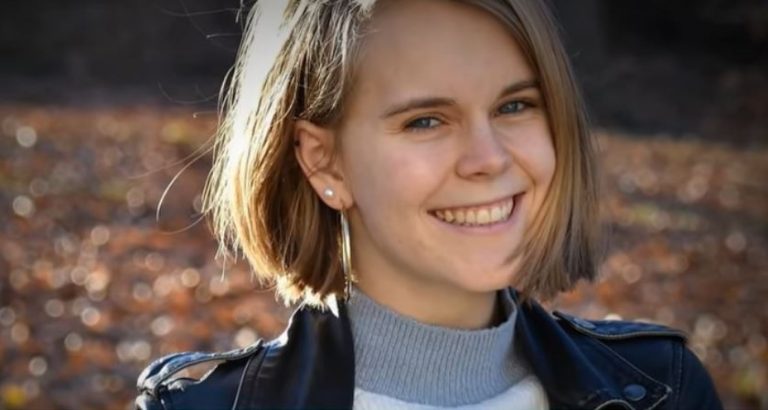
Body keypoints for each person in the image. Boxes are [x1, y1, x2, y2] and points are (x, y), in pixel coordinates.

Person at [135, 0, 724, 409]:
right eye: (426, 120)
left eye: (515, 106)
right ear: (324, 162)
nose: (488, 159)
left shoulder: (666, 393)